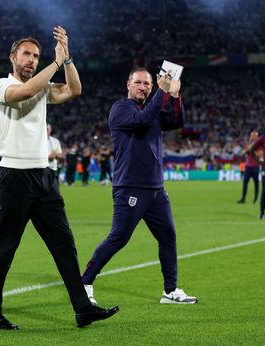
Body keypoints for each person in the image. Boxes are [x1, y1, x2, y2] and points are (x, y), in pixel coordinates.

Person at [0, 27, 119, 330]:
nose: (31, 59)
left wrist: (67, 59)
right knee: (5, 248)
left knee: (64, 244)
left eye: (36, 55)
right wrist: (54, 64)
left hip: (45, 177)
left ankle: (82, 309)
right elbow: (27, 90)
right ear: (13, 57)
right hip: (15, 177)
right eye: (26, 54)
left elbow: (74, 90)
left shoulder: (43, 86)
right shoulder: (0, 86)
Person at [81, 67, 197, 305]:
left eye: (147, 84)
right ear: (128, 84)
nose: (142, 87)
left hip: (156, 189)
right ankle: (84, 283)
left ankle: (170, 291)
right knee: (119, 238)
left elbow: (177, 121)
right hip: (130, 188)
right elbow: (143, 121)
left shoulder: (151, 109)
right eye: (138, 83)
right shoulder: (121, 109)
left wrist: (175, 96)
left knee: (168, 237)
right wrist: (161, 94)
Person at [237, 131, 261, 204]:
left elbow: (259, 155)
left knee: (256, 183)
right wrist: (247, 150)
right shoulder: (248, 145)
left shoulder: (259, 145)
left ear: (256, 136)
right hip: (248, 166)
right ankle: (243, 198)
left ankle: (256, 198)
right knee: (245, 182)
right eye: (251, 135)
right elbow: (241, 154)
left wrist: (252, 150)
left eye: (253, 136)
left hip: (255, 166)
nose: (252, 137)